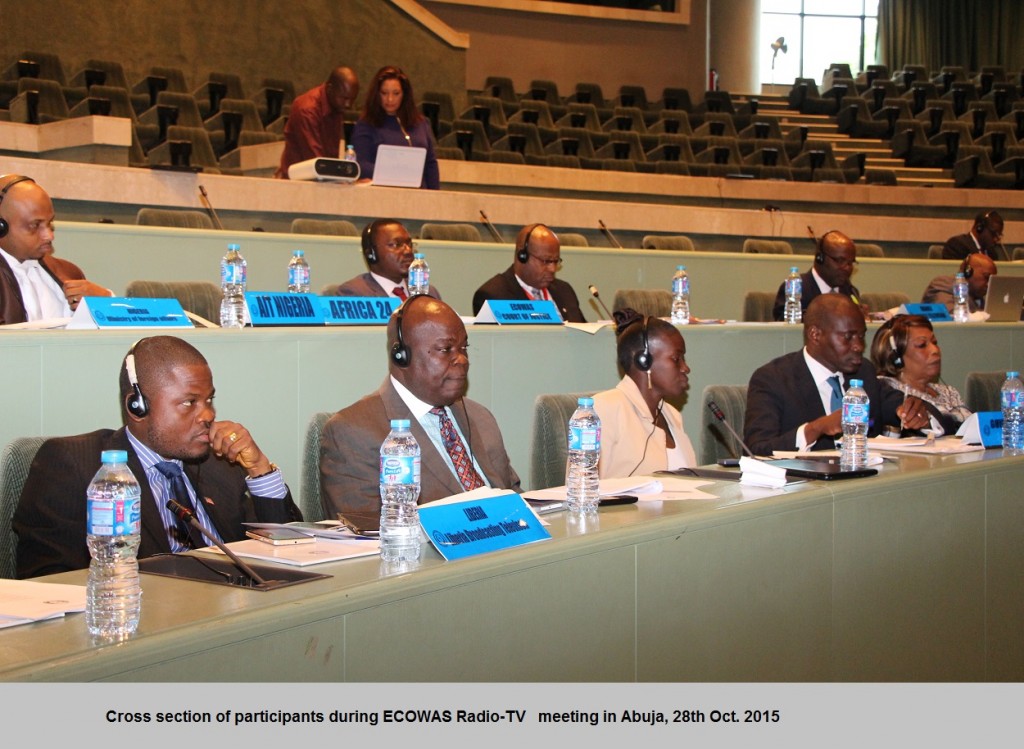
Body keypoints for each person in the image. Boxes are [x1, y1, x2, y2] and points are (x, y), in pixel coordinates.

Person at [13, 336, 301, 578]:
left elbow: (291, 548)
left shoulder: (219, 463)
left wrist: (259, 469)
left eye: (209, 400)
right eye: (189, 402)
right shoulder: (76, 465)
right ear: (137, 406)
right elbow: (48, 582)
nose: (209, 415)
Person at [320, 296, 520, 519]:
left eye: (464, 347)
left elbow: (514, 496)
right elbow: (367, 534)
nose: (462, 359)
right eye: (446, 349)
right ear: (402, 356)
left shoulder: (480, 417)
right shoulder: (352, 431)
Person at [744, 294, 930, 456]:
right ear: (815, 335)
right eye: (848, 337)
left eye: (861, 336)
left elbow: (906, 407)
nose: (858, 346)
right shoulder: (773, 379)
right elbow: (756, 450)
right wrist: (815, 429)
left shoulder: (864, 372)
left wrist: (917, 411)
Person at [593, 309, 696, 478]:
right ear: (644, 361)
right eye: (676, 359)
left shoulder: (672, 415)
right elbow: (582, 489)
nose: (685, 368)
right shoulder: (603, 410)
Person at [0, 174, 111, 324]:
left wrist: (106, 303)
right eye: (35, 225)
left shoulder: (69, 272)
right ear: (2, 227)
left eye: (50, 223)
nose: (49, 236)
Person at [870, 314, 971, 434]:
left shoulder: (948, 392)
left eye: (934, 342)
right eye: (922, 345)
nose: (935, 350)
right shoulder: (885, 389)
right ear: (897, 358)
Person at [472, 223, 586, 322]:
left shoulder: (565, 291)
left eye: (556, 261)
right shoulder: (493, 295)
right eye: (546, 261)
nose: (552, 269)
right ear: (522, 257)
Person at [350, 65, 439, 190]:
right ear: (376, 94)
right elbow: (360, 165)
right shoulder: (366, 124)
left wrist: (435, 197)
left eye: (396, 93)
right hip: (382, 195)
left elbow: (431, 165)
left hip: (420, 196)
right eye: (384, 93)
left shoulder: (421, 123)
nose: (390, 99)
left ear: (404, 94)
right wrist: (397, 172)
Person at [275, 66, 360, 179]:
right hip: (297, 183)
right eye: (344, 98)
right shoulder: (307, 109)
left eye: (352, 99)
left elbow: (330, 157)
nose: (348, 105)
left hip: (317, 179)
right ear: (330, 89)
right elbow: (316, 161)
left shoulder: (336, 105)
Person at [334, 219, 441, 300]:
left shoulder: (428, 292)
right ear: (371, 254)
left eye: (409, 244)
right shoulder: (355, 293)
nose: (408, 251)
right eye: (396, 245)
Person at [771, 230, 862, 321]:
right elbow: (784, 330)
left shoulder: (850, 292)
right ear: (820, 258)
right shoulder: (796, 289)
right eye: (840, 261)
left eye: (850, 263)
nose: (847, 268)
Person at [922, 254, 997, 314]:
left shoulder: (978, 297)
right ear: (968, 272)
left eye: (992, 279)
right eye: (986, 277)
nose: (989, 283)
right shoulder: (943, 285)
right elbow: (952, 316)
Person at [942, 210, 1007, 261]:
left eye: (999, 235)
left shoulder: (992, 253)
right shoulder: (956, 245)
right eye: (993, 234)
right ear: (979, 228)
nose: (996, 239)